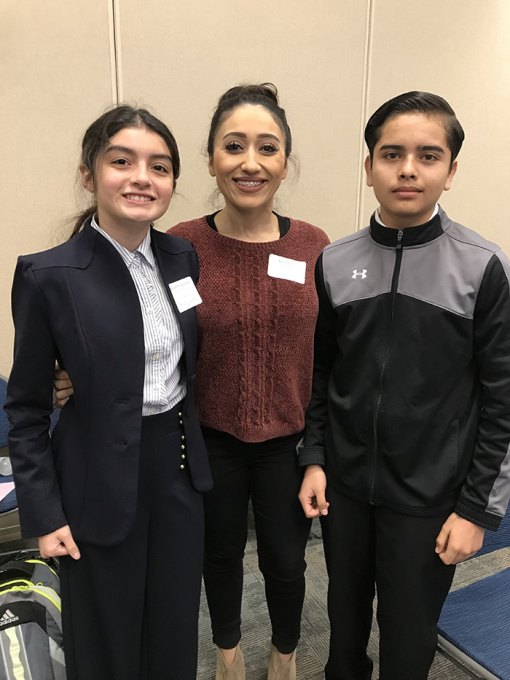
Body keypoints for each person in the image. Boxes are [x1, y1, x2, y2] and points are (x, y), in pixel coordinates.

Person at [56, 83, 330, 679]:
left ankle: (285, 655)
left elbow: (327, 356)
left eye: (267, 147)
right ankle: (227, 654)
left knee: (287, 563)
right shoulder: (182, 245)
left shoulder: (313, 245)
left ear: (286, 162)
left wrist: (317, 450)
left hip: (288, 441)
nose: (250, 162)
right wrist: (72, 370)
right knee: (219, 557)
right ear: (210, 160)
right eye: (234, 146)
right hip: (205, 441)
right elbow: (130, 319)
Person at [298, 90, 510, 680]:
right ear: (369, 167)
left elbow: (502, 402)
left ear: (451, 170)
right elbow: (321, 374)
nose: (408, 169)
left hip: (431, 497)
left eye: (428, 155)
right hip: (345, 489)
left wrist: (477, 512)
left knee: (408, 640)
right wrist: (315, 459)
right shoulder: (336, 262)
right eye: (391, 154)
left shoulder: (482, 267)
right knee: (342, 633)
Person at [5, 106, 212, 680]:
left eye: (160, 166)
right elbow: (23, 409)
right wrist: (44, 515)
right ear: (88, 173)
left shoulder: (180, 257)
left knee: (172, 629)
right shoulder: (48, 274)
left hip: (174, 472)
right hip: (93, 478)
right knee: (106, 639)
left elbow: (183, 364)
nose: (142, 178)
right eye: (122, 161)